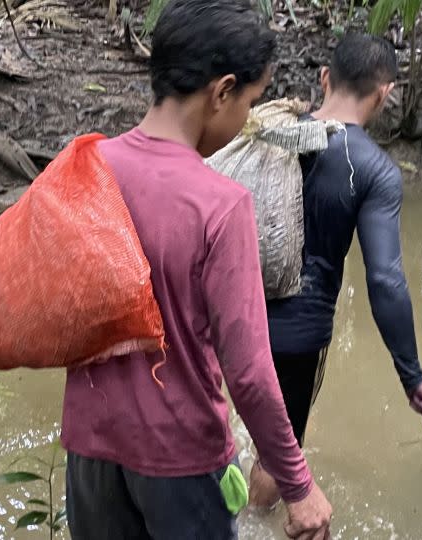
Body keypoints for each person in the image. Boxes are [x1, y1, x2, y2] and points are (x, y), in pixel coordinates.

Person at [59, 0, 332, 538]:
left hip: (90, 452)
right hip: (180, 462)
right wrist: (298, 486)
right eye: (250, 103)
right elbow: (249, 373)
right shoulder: (220, 204)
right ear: (222, 91)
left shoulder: (90, 170)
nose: (245, 120)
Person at [249, 33, 422, 507]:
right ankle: (254, 519)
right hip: (297, 335)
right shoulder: (375, 170)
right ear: (384, 93)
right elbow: (384, 279)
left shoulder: (269, 131)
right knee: (280, 454)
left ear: (324, 78)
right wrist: (412, 377)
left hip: (233, 315)